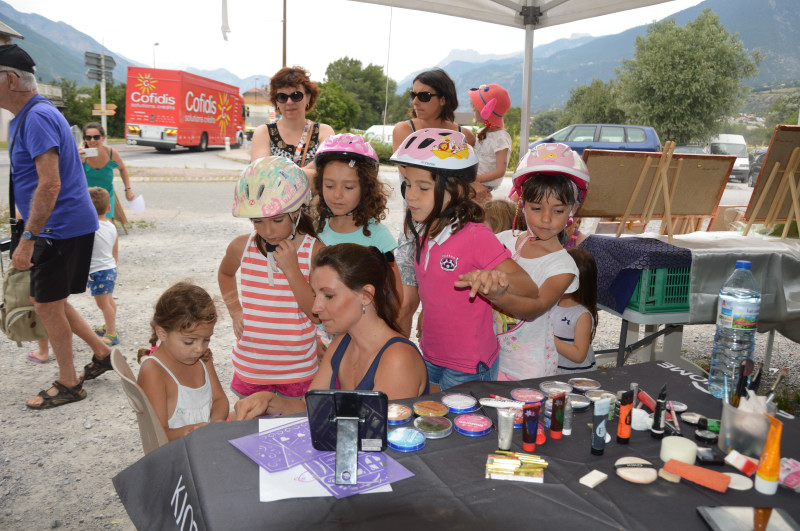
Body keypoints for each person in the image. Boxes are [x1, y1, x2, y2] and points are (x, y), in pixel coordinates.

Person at [0, 44, 112, 409]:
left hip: (56, 228)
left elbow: (50, 184)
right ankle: (101, 352)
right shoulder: (30, 115)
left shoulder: (36, 117)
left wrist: (28, 239)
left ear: (10, 79)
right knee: (51, 300)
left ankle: (69, 383)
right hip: (60, 225)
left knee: (46, 304)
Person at [390, 128, 538, 392]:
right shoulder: (424, 231)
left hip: (468, 364)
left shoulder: (474, 235)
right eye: (408, 185)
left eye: (423, 187)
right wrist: (426, 313)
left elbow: (528, 287)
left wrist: (497, 281)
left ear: (457, 189)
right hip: (433, 354)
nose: (410, 195)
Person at [231, 244, 428, 419]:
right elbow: (309, 407)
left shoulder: (398, 359)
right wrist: (269, 400)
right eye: (316, 294)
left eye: (329, 296)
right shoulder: (341, 342)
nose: (316, 307)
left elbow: (373, 437)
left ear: (366, 295)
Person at [218, 156, 323, 400]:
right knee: (251, 433)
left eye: (277, 220)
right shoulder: (240, 247)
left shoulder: (314, 252)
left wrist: (292, 270)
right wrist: (235, 309)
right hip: (252, 368)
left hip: (298, 370)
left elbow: (316, 315)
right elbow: (225, 273)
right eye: (257, 221)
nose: (267, 231)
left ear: (296, 212)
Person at [494, 143, 590, 380]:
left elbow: (535, 308)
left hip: (529, 369)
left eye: (558, 211)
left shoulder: (563, 267)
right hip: (491, 359)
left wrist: (494, 293)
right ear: (522, 203)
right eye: (536, 208)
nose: (546, 219)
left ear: (572, 211)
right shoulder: (503, 241)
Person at [392, 68, 475, 337]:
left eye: (424, 95)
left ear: (443, 98)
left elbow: (468, 184)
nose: (416, 101)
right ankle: (398, 364)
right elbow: (412, 178)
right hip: (415, 227)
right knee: (404, 306)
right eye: (413, 94)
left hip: (452, 230)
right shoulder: (405, 130)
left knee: (442, 306)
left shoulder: (465, 136)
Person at [136, 282, 229, 440]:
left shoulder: (203, 360)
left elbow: (219, 399)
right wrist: (191, 432)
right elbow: (157, 434)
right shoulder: (154, 372)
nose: (200, 348)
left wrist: (216, 422)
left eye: (206, 339)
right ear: (162, 333)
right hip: (176, 454)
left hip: (205, 444)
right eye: (189, 342)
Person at [313, 133, 401, 296]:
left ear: (366, 189)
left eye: (349, 187)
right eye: (329, 185)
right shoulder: (314, 230)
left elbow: (394, 296)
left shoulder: (379, 238)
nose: (337, 195)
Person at [249, 66, 334, 183]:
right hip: (276, 202)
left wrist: (280, 175)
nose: (289, 102)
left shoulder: (324, 132)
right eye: (282, 97)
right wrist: (310, 172)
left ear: (308, 97)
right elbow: (260, 175)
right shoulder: (263, 133)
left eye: (296, 96)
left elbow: (328, 175)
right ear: (276, 101)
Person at [553, 247, 598, 374]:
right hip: (554, 374)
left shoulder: (582, 315)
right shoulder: (551, 304)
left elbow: (579, 356)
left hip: (577, 379)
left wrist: (549, 338)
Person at [86, 187, 120, 346]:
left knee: (103, 303)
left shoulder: (91, 228)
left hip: (98, 270)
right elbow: (115, 248)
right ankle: (109, 325)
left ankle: (111, 333)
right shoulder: (111, 226)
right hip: (110, 268)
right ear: (108, 208)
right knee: (108, 300)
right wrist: (114, 262)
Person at [79, 122, 134, 219]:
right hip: (86, 196)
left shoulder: (111, 153)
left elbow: (122, 169)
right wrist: (78, 163)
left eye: (96, 137)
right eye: (88, 137)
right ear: (84, 139)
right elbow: (68, 175)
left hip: (106, 196)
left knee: (106, 222)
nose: (92, 140)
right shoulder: (80, 154)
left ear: (103, 137)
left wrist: (128, 189)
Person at [468, 84, 512, 200]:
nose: (473, 112)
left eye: (475, 109)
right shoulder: (484, 133)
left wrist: (476, 179)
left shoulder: (500, 138)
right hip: (475, 180)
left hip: (482, 183)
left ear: (486, 111)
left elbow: (500, 171)